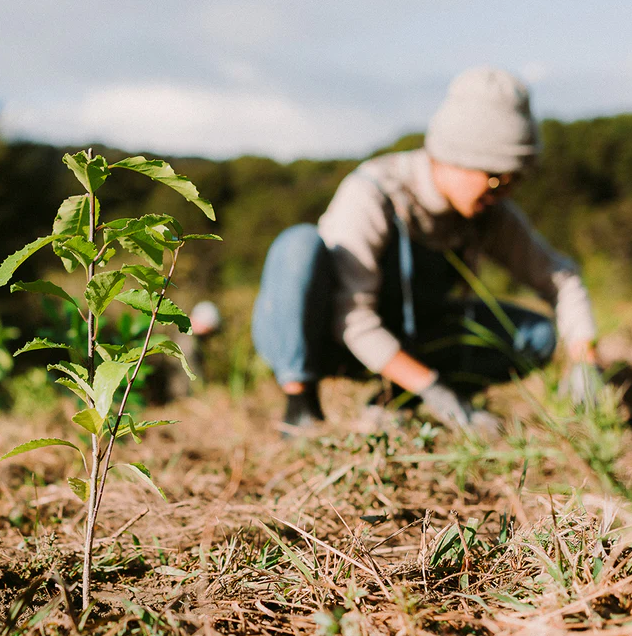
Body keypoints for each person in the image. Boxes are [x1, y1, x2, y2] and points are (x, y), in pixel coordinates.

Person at [251, 67, 602, 432]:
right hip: (331, 335)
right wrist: (435, 389)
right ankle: (300, 405)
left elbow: (560, 277)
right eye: (496, 178)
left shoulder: (489, 212)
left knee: (537, 336)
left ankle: (395, 401)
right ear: (455, 156)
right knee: (298, 245)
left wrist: (585, 361)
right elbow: (351, 318)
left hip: (411, 335)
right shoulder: (374, 192)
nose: (503, 193)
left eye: (515, 181)